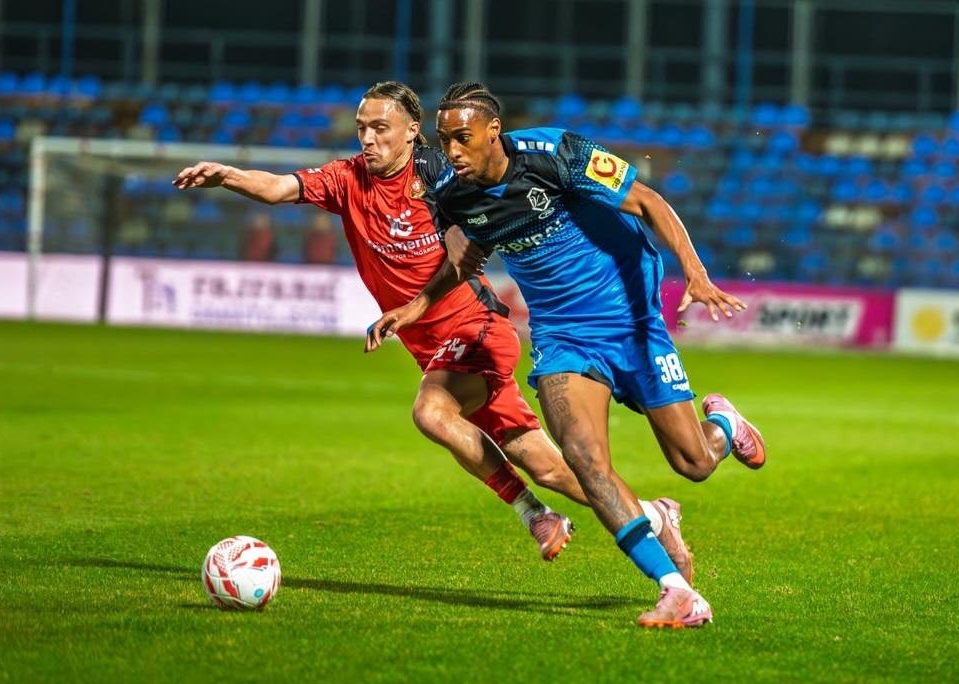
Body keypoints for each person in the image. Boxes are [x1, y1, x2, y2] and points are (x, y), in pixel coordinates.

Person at [173, 82, 694, 572]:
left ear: (411, 131)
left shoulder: (444, 176)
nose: (369, 138)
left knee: (431, 412)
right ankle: (654, 515)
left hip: (475, 327)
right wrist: (228, 175)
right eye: (362, 128)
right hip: (429, 345)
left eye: (381, 128)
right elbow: (278, 188)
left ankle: (535, 515)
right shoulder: (346, 178)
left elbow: (486, 221)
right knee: (555, 469)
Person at [367, 82, 769, 628]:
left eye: (463, 138)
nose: (453, 151)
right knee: (583, 457)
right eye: (445, 140)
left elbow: (648, 201)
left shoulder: (555, 154)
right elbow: (469, 256)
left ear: (493, 132)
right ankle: (675, 591)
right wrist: (414, 308)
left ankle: (723, 424)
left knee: (693, 462)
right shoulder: (452, 194)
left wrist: (695, 274)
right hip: (561, 336)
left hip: (629, 319)